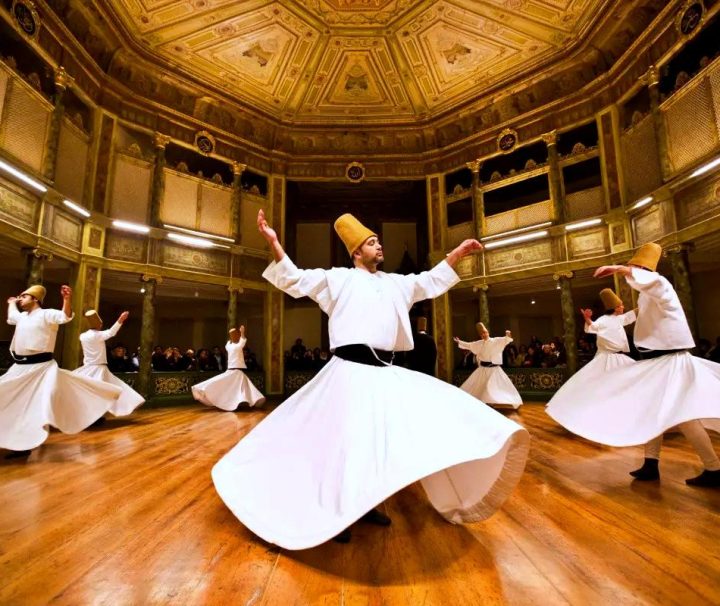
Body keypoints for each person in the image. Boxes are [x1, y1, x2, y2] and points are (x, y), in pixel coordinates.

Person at [211, 210, 529, 549]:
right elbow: (294, 278)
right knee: (343, 443)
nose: (379, 247)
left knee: (376, 441)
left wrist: (458, 253)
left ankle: (365, 506)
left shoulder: (396, 283)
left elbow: (429, 280)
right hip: (347, 372)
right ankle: (335, 514)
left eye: (378, 241)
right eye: (372, 242)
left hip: (384, 374)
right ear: (356, 251)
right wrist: (274, 242)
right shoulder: (338, 279)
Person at [548, 243, 720, 486]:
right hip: (660, 360)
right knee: (656, 411)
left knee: (684, 416)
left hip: (672, 360)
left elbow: (652, 282)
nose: (631, 273)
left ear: (643, 270)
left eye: (635, 268)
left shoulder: (662, 286)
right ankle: (651, 464)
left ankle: (713, 468)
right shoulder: (647, 294)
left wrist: (621, 268)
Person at [0, 285, 121, 458]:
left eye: (23, 297)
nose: (20, 299)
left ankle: (23, 443)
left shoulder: (46, 314)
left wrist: (66, 299)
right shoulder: (22, 317)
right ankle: (14, 438)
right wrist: (11, 302)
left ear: (35, 299)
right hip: (19, 367)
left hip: (40, 369)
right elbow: (12, 316)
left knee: (31, 406)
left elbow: (64, 316)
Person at [546, 288, 637, 427]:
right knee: (600, 387)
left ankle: (624, 414)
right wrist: (587, 318)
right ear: (614, 308)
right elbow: (592, 327)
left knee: (627, 384)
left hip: (620, 358)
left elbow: (632, 314)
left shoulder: (620, 319)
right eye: (620, 305)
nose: (623, 307)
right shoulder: (603, 320)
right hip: (606, 358)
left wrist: (646, 302)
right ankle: (596, 415)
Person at [72, 310, 145, 417]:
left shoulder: (83, 336)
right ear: (99, 324)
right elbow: (111, 332)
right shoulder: (98, 335)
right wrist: (121, 319)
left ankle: (92, 415)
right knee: (113, 390)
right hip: (99, 369)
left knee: (93, 393)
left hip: (87, 368)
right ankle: (96, 415)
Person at [191, 326, 265, 410]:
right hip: (232, 370)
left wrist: (241, 333)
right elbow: (240, 340)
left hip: (237, 370)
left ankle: (246, 401)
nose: (234, 336)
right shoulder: (230, 345)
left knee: (240, 386)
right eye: (232, 335)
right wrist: (241, 333)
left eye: (234, 334)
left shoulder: (234, 345)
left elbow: (242, 340)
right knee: (225, 384)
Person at [454, 323, 523, 409]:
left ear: (488, 332)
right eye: (482, 333)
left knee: (502, 385)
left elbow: (506, 339)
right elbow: (469, 345)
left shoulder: (496, 341)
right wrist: (459, 342)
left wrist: (508, 334)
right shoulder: (479, 343)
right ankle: (487, 402)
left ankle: (512, 400)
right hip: (483, 369)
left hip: (494, 369)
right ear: (480, 335)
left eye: (485, 332)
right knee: (476, 385)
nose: (484, 334)